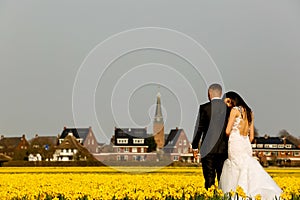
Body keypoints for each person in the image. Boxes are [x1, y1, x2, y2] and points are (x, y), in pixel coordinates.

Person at [219, 91, 282, 200]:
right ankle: (250, 193)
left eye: (228, 102)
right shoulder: (250, 112)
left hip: (235, 142)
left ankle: (237, 194)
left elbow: (227, 131)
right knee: (246, 166)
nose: (228, 105)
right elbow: (252, 137)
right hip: (246, 143)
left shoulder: (234, 110)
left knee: (235, 167)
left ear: (233, 99)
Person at [192, 83, 229, 189]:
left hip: (207, 149)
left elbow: (198, 129)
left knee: (209, 179)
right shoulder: (228, 109)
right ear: (221, 93)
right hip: (223, 149)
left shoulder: (204, 108)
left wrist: (195, 147)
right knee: (222, 179)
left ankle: (210, 196)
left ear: (209, 93)